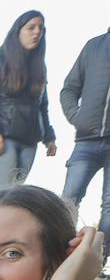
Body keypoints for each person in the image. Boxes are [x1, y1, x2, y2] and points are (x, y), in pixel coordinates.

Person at [0, 11, 56, 190]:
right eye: (31, 27)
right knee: (3, 195)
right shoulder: (0, 61)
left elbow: (42, 106)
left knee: (17, 196)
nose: (37, 32)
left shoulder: (39, 66)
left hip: (30, 142)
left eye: (41, 28)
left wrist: (49, 137)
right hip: (4, 140)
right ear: (18, 31)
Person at [60, 26, 110, 260]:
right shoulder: (94, 47)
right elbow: (69, 89)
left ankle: (98, 263)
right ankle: (60, 257)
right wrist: (77, 117)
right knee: (69, 200)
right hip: (86, 141)